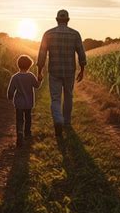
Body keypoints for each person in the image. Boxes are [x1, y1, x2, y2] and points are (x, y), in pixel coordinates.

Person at [37, 9, 87, 137]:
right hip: (70, 71)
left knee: (55, 98)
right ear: (68, 20)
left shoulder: (48, 34)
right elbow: (81, 53)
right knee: (69, 96)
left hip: (54, 71)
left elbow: (42, 54)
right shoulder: (75, 34)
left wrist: (39, 72)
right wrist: (82, 70)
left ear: (57, 20)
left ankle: (58, 120)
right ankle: (67, 122)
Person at [7, 55, 42, 147]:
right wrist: (40, 80)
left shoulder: (15, 77)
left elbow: (10, 90)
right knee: (28, 118)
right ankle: (27, 133)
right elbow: (37, 86)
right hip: (28, 103)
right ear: (29, 65)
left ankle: (19, 134)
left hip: (19, 103)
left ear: (18, 65)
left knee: (19, 119)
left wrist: (10, 97)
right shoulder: (30, 76)